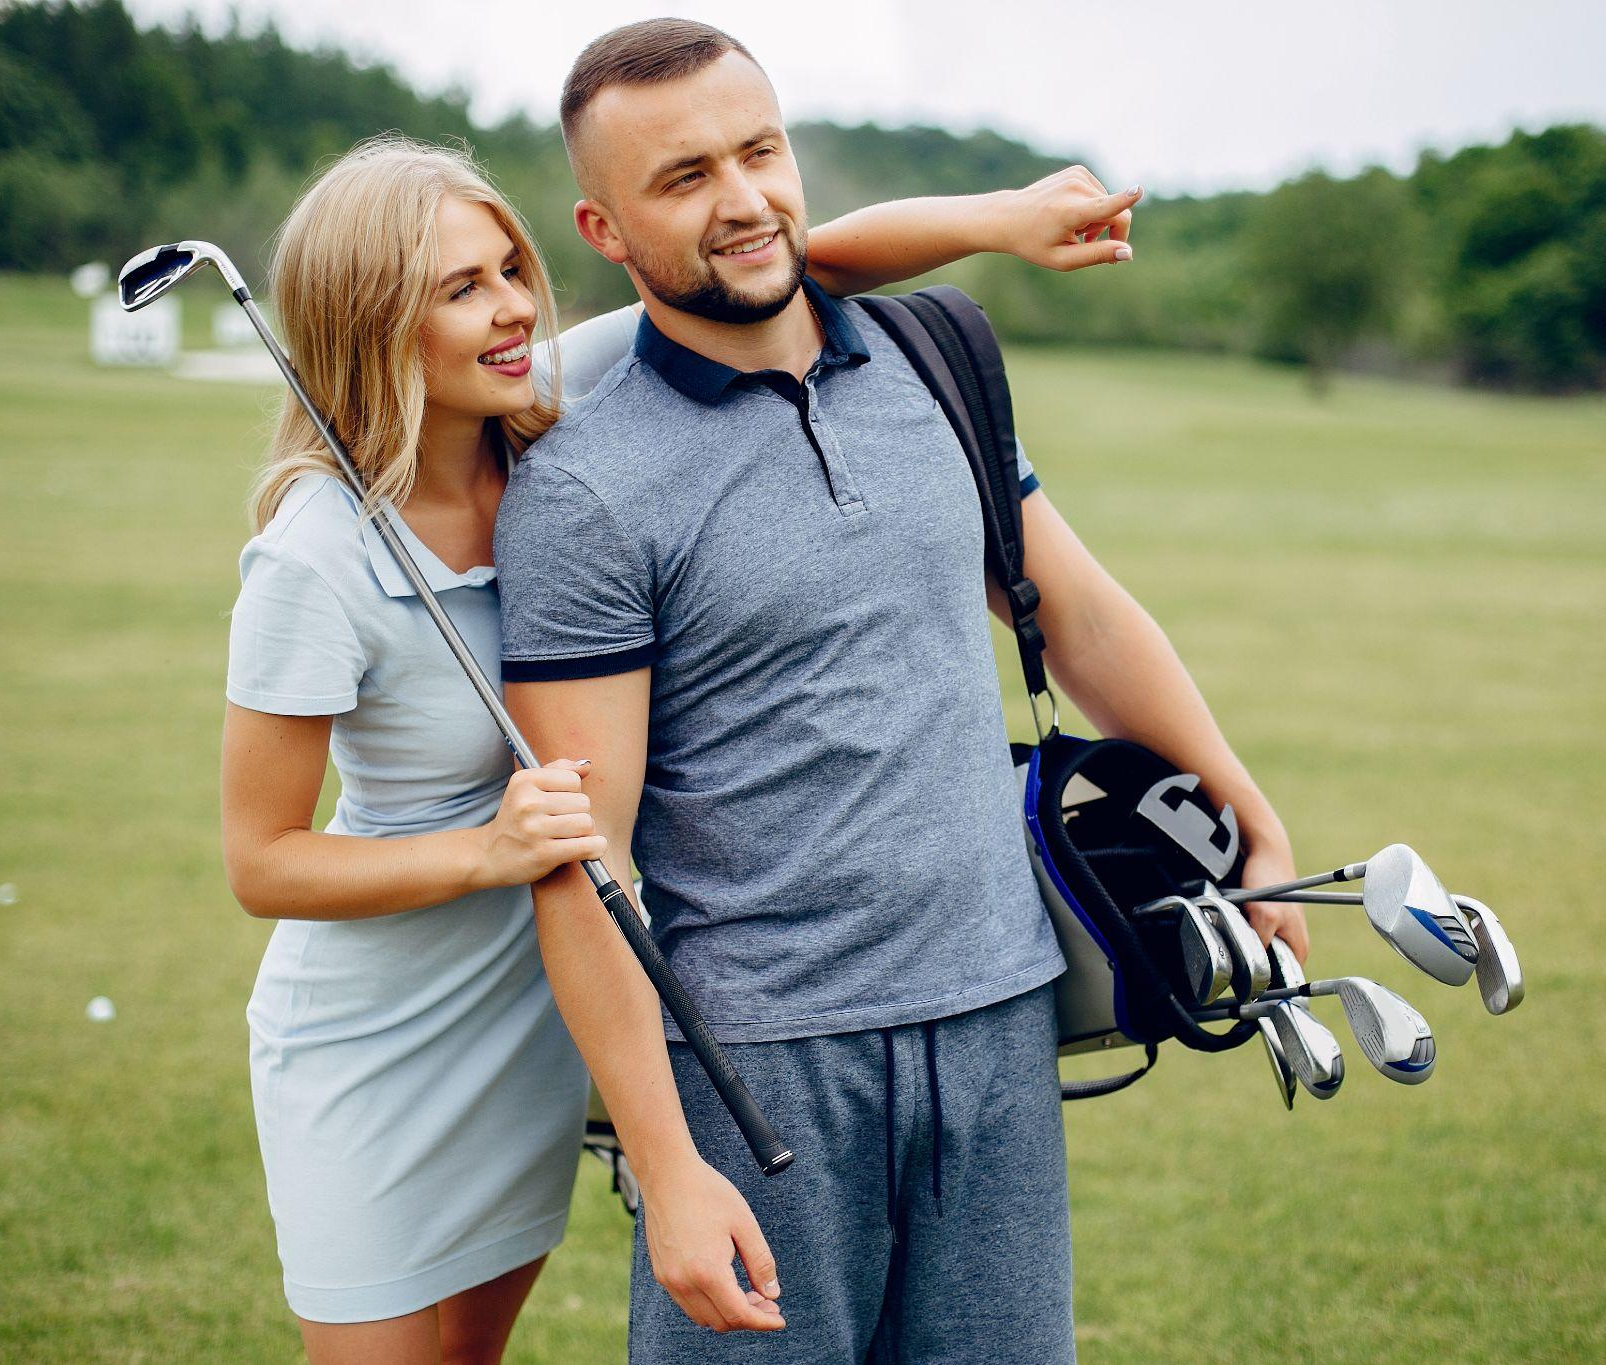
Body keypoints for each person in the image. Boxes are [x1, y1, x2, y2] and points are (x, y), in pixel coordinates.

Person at [218, 134, 1146, 1365]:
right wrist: (484, 852)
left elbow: (801, 261)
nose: (508, 309)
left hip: (536, 1011)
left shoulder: (544, 410)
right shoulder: (313, 555)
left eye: (509, 268)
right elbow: (261, 863)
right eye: (458, 288)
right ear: (372, 321)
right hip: (374, 1036)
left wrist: (1001, 217)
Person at [495, 19, 1308, 1362]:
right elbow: (587, 860)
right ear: (607, 227)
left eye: (759, 151)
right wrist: (669, 1158)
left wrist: (1251, 817)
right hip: (756, 1072)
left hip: (999, 1016)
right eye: (684, 177)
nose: (744, 199)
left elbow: (1089, 620)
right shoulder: (584, 483)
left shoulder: (935, 366)